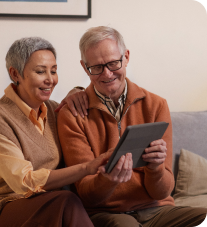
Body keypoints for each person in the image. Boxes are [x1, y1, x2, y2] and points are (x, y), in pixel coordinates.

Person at [57, 26, 207, 227]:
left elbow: (163, 192)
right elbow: (87, 194)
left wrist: (155, 168)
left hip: (157, 209)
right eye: (97, 67)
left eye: (113, 63)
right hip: (106, 213)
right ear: (85, 68)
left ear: (126, 57)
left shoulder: (156, 105)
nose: (107, 74)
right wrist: (108, 179)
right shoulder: (73, 114)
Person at [0, 37, 112, 227]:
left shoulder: (55, 111)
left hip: (45, 207)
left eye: (54, 71)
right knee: (66, 201)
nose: (51, 79)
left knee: (65, 203)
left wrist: (79, 91)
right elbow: (24, 181)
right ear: (15, 74)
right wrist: (87, 168)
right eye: (40, 71)